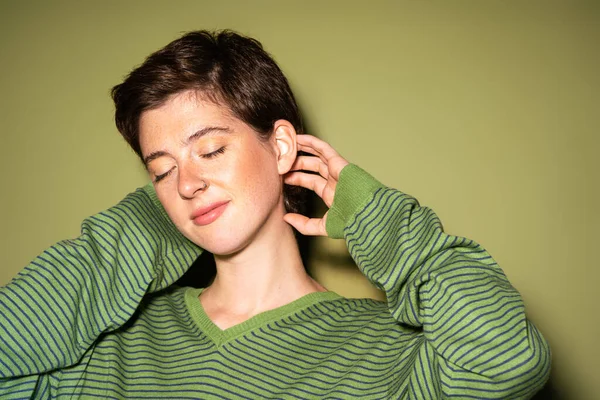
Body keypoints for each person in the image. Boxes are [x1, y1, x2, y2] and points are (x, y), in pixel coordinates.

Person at [0, 30, 550, 399]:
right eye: (161, 171)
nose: (187, 183)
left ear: (282, 147)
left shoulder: (387, 354)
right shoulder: (107, 350)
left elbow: (504, 361)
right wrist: (150, 225)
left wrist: (383, 222)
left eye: (210, 150)